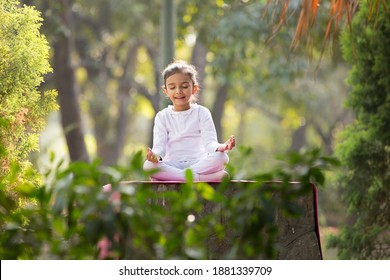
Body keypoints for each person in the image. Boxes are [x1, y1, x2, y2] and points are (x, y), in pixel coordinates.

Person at [143, 60, 235, 182]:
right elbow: (159, 148)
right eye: (172, 87)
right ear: (165, 91)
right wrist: (154, 156)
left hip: (198, 163)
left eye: (184, 86)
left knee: (222, 157)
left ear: (194, 88)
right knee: (148, 166)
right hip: (172, 164)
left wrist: (222, 147)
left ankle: (176, 177)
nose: (178, 91)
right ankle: (200, 178)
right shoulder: (162, 116)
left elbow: (210, 143)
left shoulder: (202, 113)